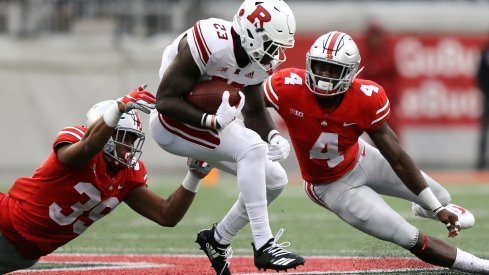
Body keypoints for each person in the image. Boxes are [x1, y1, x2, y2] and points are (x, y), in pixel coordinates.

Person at [261, 31, 488, 274]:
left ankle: (421, 207)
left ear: (350, 73)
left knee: (441, 197)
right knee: (407, 235)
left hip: (361, 158)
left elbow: (397, 158)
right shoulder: (287, 85)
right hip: (331, 186)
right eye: (320, 67)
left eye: (333, 70)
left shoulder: (366, 97)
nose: (324, 76)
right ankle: (482, 267)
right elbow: (248, 104)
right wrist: (255, 135)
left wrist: (435, 207)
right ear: (309, 64)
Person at [148, 0, 304, 274]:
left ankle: (218, 239)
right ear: (252, 33)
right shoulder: (211, 40)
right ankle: (264, 243)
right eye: (271, 43)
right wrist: (209, 120)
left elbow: (255, 111)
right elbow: (164, 100)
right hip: (171, 123)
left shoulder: (257, 61)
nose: (275, 53)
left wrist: (273, 136)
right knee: (251, 147)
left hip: (212, 122)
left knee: (276, 179)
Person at [0, 85, 212, 273]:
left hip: (23, 254)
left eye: (132, 138)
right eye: (124, 136)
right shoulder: (77, 143)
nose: (128, 145)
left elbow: (167, 215)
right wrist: (119, 109)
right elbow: (88, 147)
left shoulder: (127, 175)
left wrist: (194, 176)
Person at [360, 22, 401, 134]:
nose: (375, 40)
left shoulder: (387, 52)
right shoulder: (367, 54)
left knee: (391, 127)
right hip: (373, 99)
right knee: (374, 128)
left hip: (388, 97)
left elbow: (393, 73)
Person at [476, 38, 489, 170]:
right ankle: (481, 160)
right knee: (484, 130)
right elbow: (480, 74)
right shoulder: (485, 52)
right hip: (488, 97)